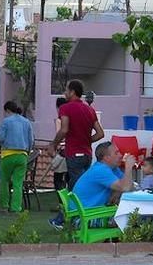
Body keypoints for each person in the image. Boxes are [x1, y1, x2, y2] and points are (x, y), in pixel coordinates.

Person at [49, 79, 104, 228]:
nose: (65, 93)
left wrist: (53, 144)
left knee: (75, 189)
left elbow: (64, 129)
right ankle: (79, 219)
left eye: (66, 90)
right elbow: (100, 134)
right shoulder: (89, 110)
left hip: (74, 155)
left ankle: (61, 220)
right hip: (87, 155)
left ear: (73, 92)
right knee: (83, 187)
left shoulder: (66, 108)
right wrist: (86, 141)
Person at [71, 141, 136, 209]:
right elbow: (125, 187)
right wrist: (128, 167)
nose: (120, 155)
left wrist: (119, 191)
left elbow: (128, 186)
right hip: (84, 215)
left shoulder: (113, 168)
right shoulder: (100, 170)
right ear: (106, 157)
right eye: (116, 153)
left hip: (92, 211)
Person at [0, 100, 34, 212]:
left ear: (7, 110)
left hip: (8, 155)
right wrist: (27, 150)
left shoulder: (6, 122)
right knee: (18, 183)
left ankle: (4, 206)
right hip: (22, 155)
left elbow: (1, 138)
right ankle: (16, 207)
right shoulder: (26, 122)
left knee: (4, 181)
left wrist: (2, 146)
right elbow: (31, 140)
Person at [51, 96, 68, 191]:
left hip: (62, 151)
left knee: (58, 178)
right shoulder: (71, 119)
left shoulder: (59, 120)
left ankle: (61, 201)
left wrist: (54, 145)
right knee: (68, 178)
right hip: (72, 151)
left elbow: (60, 134)